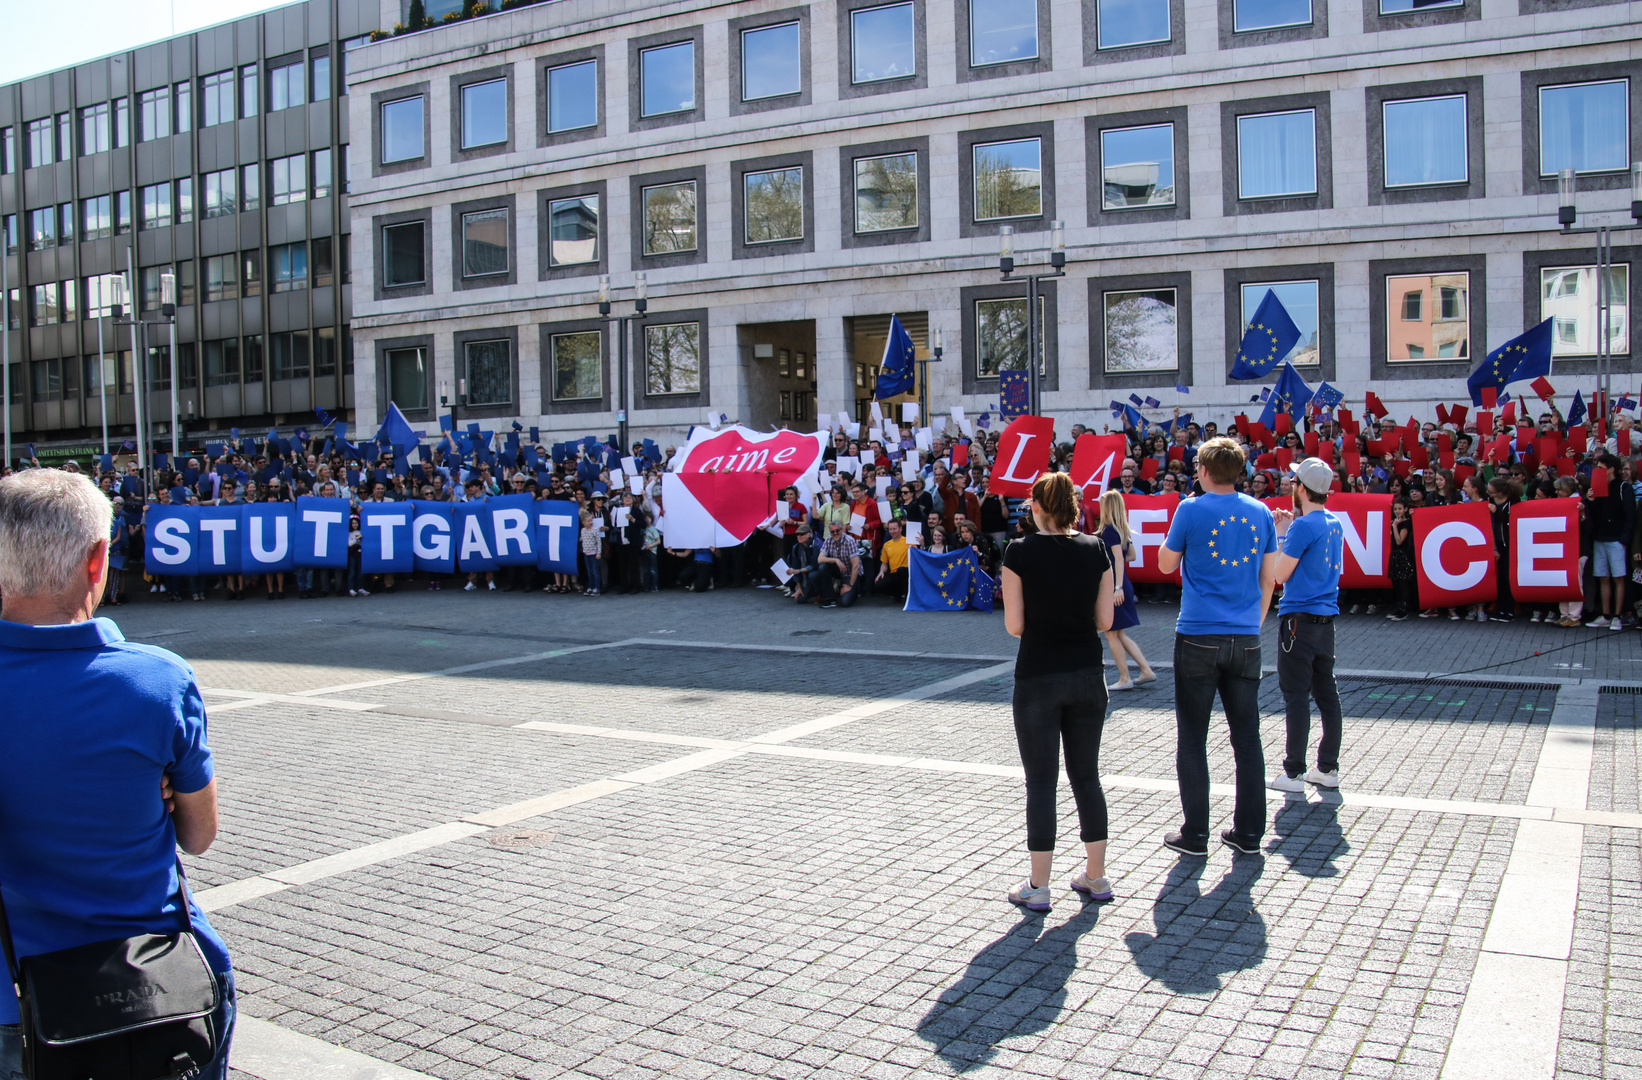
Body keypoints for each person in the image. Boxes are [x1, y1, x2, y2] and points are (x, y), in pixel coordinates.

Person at [0, 469, 235, 1078]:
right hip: (149, 982)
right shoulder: (157, 680)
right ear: (98, 560)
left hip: (14, 995)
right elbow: (199, 835)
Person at [1000, 471, 1117, 911]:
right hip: (1087, 671)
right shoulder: (1096, 548)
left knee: (1041, 782)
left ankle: (1039, 884)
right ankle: (1096, 875)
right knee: (1087, 776)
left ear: (1037, 507)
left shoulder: (1019, 551)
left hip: (1038, 674)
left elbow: (1015, 625)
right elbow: (1105, 621)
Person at [1156, 436, 1278, 858]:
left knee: (1193, 736)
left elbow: (1165, 564)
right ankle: (1248, 833)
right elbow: (1269, 579)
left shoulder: (1190, 508)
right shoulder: (1260, 511)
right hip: (1245, 636)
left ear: (1204, 471)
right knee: (1247, 737)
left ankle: (1196, 834)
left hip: (1197, 634)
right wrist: (1254, 623)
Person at [1268, 459, 1346, 794]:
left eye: (1293, 481)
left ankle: (1294, 772)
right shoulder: (1334, 522)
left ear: (1301, 487)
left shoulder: (1302, 527)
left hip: (1298, 620)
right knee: (1327, 695)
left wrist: (1282, 534)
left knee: (1296, 697)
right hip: (1325, 621)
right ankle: (1327, 767)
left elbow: (1279, 575)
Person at [1096, 489, 1156, 691]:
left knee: (1112, 634)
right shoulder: (1120, 529)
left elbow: (1122, 558)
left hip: (1115, 586)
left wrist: (1117, 587)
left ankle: (1125, 677)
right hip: (1121, 585)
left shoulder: (1109, 530)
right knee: (1118, 634)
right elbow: (1131, 555)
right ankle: (1145, 671)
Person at [875, 518, 910, 600]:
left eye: (894, 529)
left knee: (901, 570)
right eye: (890, 529)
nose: (892, 531)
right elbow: (884, 563)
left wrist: (922, 543)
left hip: (906, 573)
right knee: (878, 585)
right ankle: (897, 593)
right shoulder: (886, 545)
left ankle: (907, 593)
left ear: (900, 529)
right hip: (894, 573)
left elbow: (918, 555)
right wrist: (881, 572)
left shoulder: (909, 541)